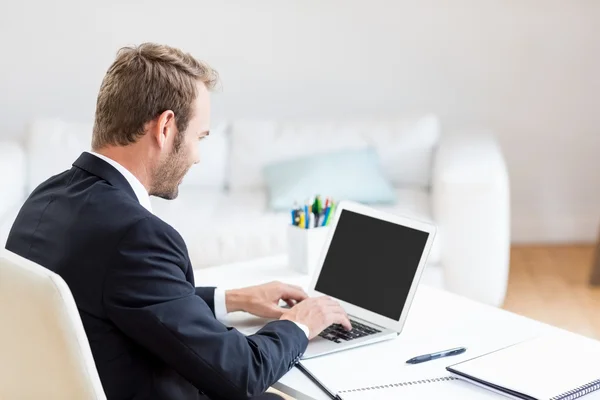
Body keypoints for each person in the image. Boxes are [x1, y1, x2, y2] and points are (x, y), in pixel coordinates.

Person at [5, 43, 351, 400]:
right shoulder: (137, 236)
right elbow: (242, 374)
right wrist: (299, 324)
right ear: (166, 127)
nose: (198, 157)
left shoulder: (46, 198)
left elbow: (122, 298)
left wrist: (230, 299)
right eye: (199, 138)